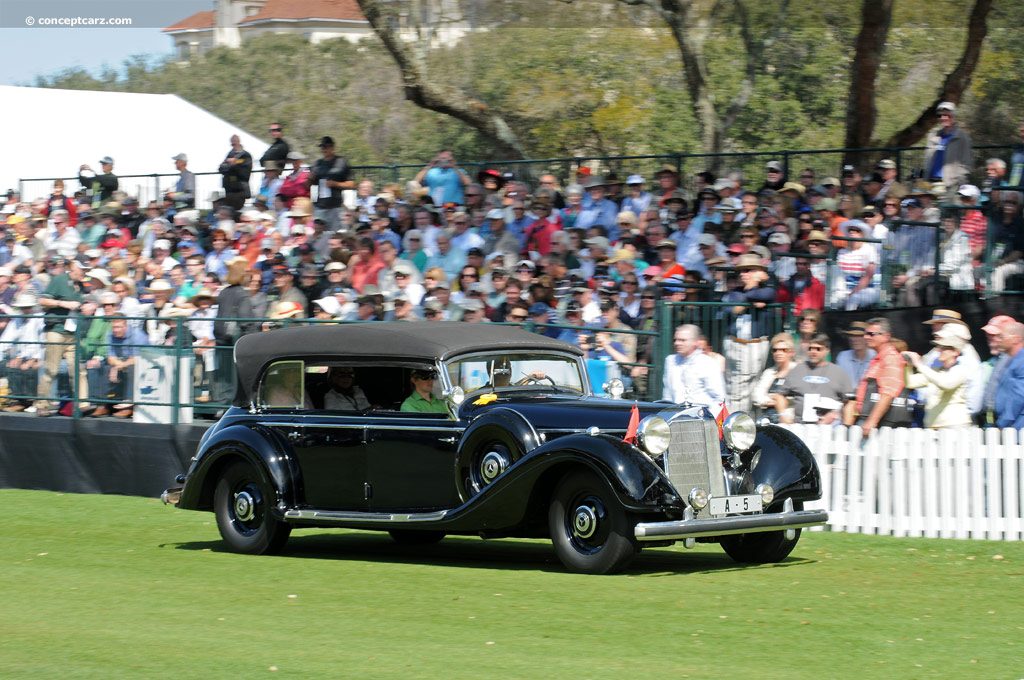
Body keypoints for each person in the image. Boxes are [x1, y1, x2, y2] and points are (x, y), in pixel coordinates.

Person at [34, 260, 88, 417]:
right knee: (51, 369)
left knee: (78, 369)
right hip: (56, 330)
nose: (85, 272)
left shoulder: (82, 287)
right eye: (82, 269)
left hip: (72, 333)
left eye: (86, 270)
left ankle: (83, 403)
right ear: (73, 267)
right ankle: (42, 405)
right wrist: (64, 303)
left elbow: (77, 308)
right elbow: (43, 300)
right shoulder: (59, 280)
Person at [844, 317, 908, 437]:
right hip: (870, 419)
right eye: (865, 334)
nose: (866, 337)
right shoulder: (878, 358)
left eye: (871, 334)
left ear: (886, 336)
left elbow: (887, 394)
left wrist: (872, 421)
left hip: (880, 425)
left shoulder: (890, 358)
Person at [775, 333, 852, 425]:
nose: (813, 352)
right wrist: (782, 414)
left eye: (818, 349)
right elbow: (780, 395)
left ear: (827, 350)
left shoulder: (838, 372)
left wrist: (846, 426)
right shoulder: (797, 369)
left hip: (828, 427)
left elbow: (850, 402)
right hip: (799, 426)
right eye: (810, 348)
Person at [902, 329, 972, 429]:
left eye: (944, 348)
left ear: (955, 352)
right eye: (940, 347)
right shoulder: (935, 371)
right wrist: (907, 366)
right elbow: (910, 383)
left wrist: (920, 365)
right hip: (933, 425)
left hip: (954, 425)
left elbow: (945, 384)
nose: (940, 351)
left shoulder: (960, 370)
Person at [662, 324, 726, 409]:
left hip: (701, 418)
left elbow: (719, 398)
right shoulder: (670, 361)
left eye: (682, 340)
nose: (677, 343)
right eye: (676, 340)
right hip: (673, 415)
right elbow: (667, 395)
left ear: (695, 342)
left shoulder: (708, 363)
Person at [922, 102, 973, 201]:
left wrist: (958, 183)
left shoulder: (962, 137)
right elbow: (927, 160)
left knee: (948, 214)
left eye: (947, 115)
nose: (943, 118)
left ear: (953, 116)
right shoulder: (933, 135)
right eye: (940, 115)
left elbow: (967, 164)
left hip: (950, 185)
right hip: (931, 184)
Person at [307, 136, 353, 231]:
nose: (324, 149)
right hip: (319, 207)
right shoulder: (317, 163)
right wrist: (309, 179)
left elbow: (352, 184)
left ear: (333, 147)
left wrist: (335, 184)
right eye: (322, 147)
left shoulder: (341, 162)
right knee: (320, 234)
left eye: (326, 147)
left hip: (335, 207)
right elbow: (307, 186)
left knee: (334, 234)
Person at [751, 332, 796, 421]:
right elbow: (756, 396)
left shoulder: (797, 371)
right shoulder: (769, 372)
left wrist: (772, 397)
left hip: (788, 420)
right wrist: (778, 401)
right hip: (766, 420)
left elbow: (797, 399)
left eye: (783, 350)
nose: (778, 353)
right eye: (775, 350)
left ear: (791, 352)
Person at [835, 321, 875, 387]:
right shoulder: (842, 356)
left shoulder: (875, 357)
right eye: (852, 336)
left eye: (859, 336)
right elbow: (837, 381)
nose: (854, 339)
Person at [218, 135, 253, 210]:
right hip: (229, 189)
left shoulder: (245, 155)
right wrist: (231, 164)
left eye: (235, 143)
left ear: (239, 142)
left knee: (237, 211)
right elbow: (221, 168)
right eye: (232, 144)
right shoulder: (230, 154)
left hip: (239, 189)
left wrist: (232, 164)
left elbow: (242, 171)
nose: (233, 145)